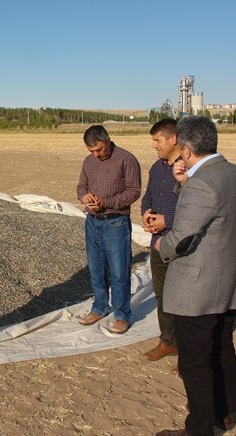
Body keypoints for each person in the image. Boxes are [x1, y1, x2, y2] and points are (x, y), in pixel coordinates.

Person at [154, 116, 236, 436]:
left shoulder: (202, 184)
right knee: (222, 348)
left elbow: (182, 238)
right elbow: (214, 219)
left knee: (195, 363)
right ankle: (224, 412)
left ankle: (199, 429)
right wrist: (184, 183)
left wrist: (160, 246)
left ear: (185, 149)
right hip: (231, 281)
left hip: (199, 288)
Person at [76, 124, 141, 334]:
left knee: (119, 271)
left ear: (108, 140)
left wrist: (107, 203)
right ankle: (99, 307)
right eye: (91, 151)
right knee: (96, 269)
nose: (96, 154)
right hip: (92, 222)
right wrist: (85, 197)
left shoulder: (126, 159)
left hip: (116, 223)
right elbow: (81, 187)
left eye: (99, 149)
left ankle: (122, 314)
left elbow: (134, 191)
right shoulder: (88, 162)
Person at [141, 118, 180, 361]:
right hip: (158, 243)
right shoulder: (157, 168)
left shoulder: (189, 169)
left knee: (185, 299)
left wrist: (169, 220)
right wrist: (145, 212)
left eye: (157, 140)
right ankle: (169, 341)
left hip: (181, 245)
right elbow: (148, 196)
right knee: (162, 294)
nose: (154, 145)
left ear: (173, 139)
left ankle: (189, 350)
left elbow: (198, 209)